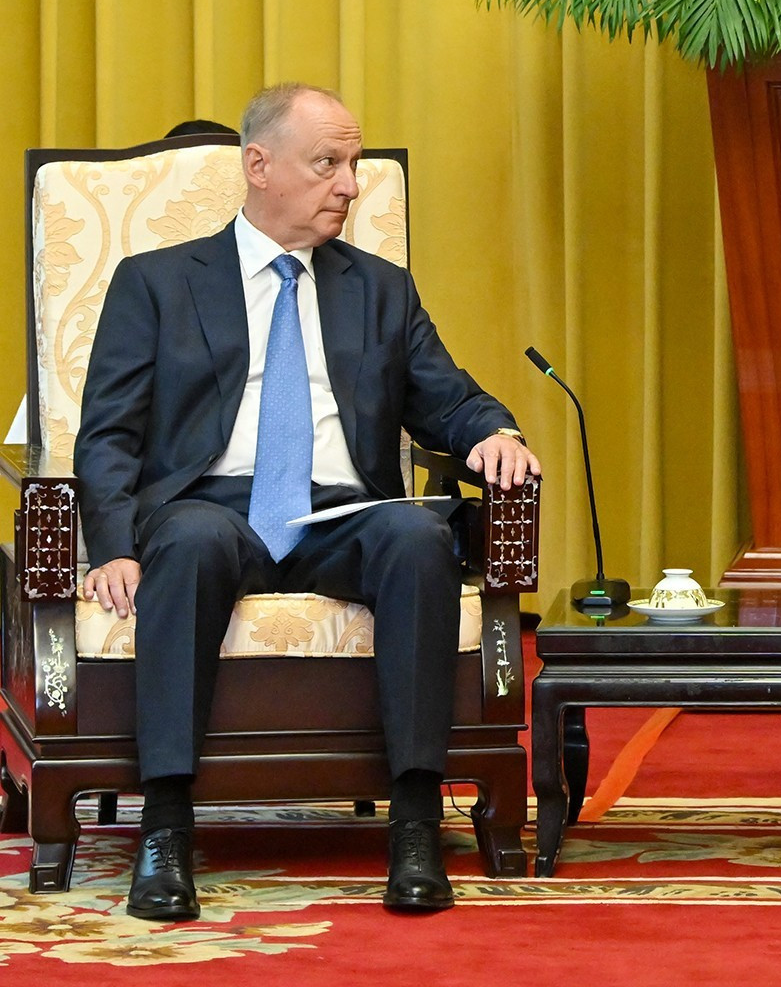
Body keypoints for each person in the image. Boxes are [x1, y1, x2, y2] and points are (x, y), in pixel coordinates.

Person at [75, 83, 541, 921]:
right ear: (260, 167)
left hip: (338, 514)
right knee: (183, 541)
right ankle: (168, 829)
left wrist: (492, 432)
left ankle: (414, 827)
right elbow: (108, 433)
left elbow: (449, 397)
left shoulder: (380, 290)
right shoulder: (157, 283)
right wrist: (113, 542)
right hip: (211, 508)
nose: (349, 185)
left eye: (354, 164)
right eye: (328, 163)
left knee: (416, 537)